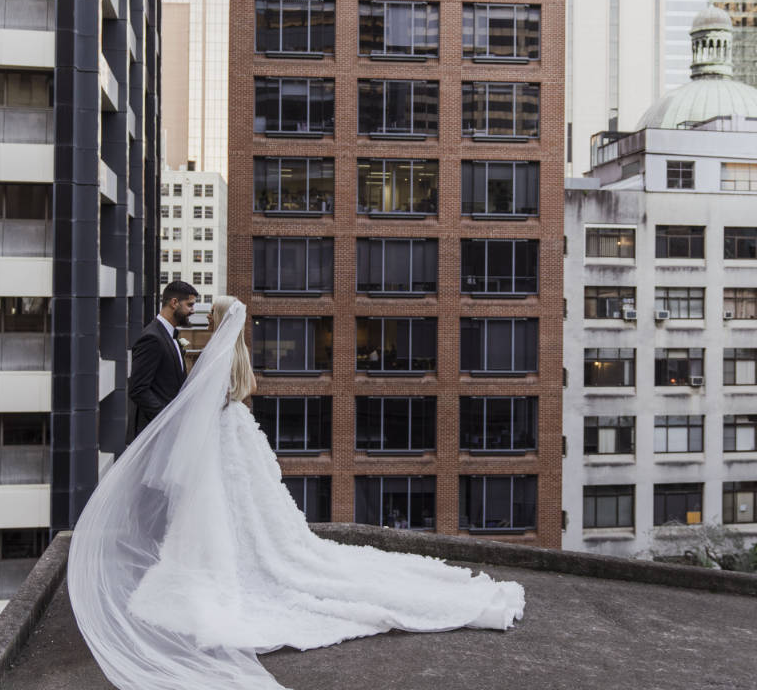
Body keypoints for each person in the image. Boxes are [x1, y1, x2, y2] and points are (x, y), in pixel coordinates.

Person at [68, 296, 524, 690]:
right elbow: (246, 391)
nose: (203, 317)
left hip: (223, 436)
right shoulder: (240, 354)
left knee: (225, 508)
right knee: (246, 508)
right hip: (238, 434)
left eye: (211, 314)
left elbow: (199, 399)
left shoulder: (216, 356)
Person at [127, 281, 197, 443]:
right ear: (174, 303)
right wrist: (166, 419)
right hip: (154, 433)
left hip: (168, 434)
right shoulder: (152, 338)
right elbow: (138, 389)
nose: (193, 311)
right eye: (190, 305)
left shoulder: (170, 335)